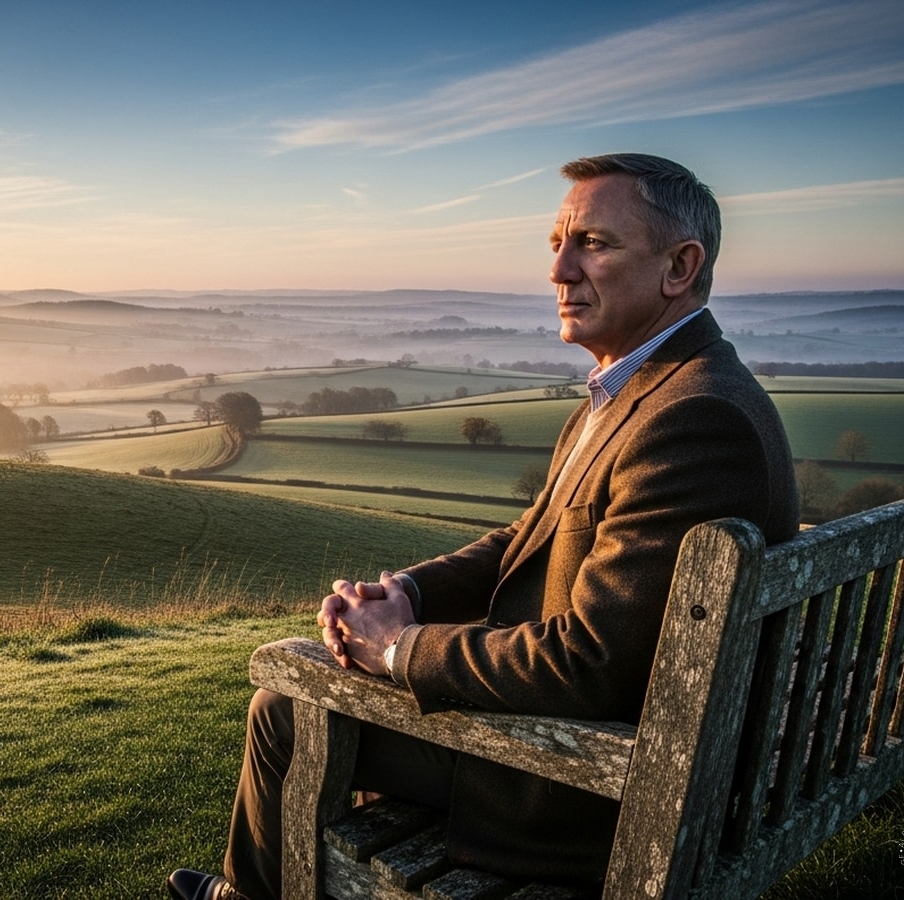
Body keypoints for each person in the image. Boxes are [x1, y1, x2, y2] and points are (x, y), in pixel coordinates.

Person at [167, 153, 800, 900]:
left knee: (285, 709)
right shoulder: (646, 392)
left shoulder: (693, 420)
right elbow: (532, 537)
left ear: (679, 267)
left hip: (593, 788)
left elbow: (590, 665)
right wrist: (409, 594)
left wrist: (397, 649)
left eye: (593, 243)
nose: (559, 270)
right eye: (557, 244)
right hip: (616, 751)